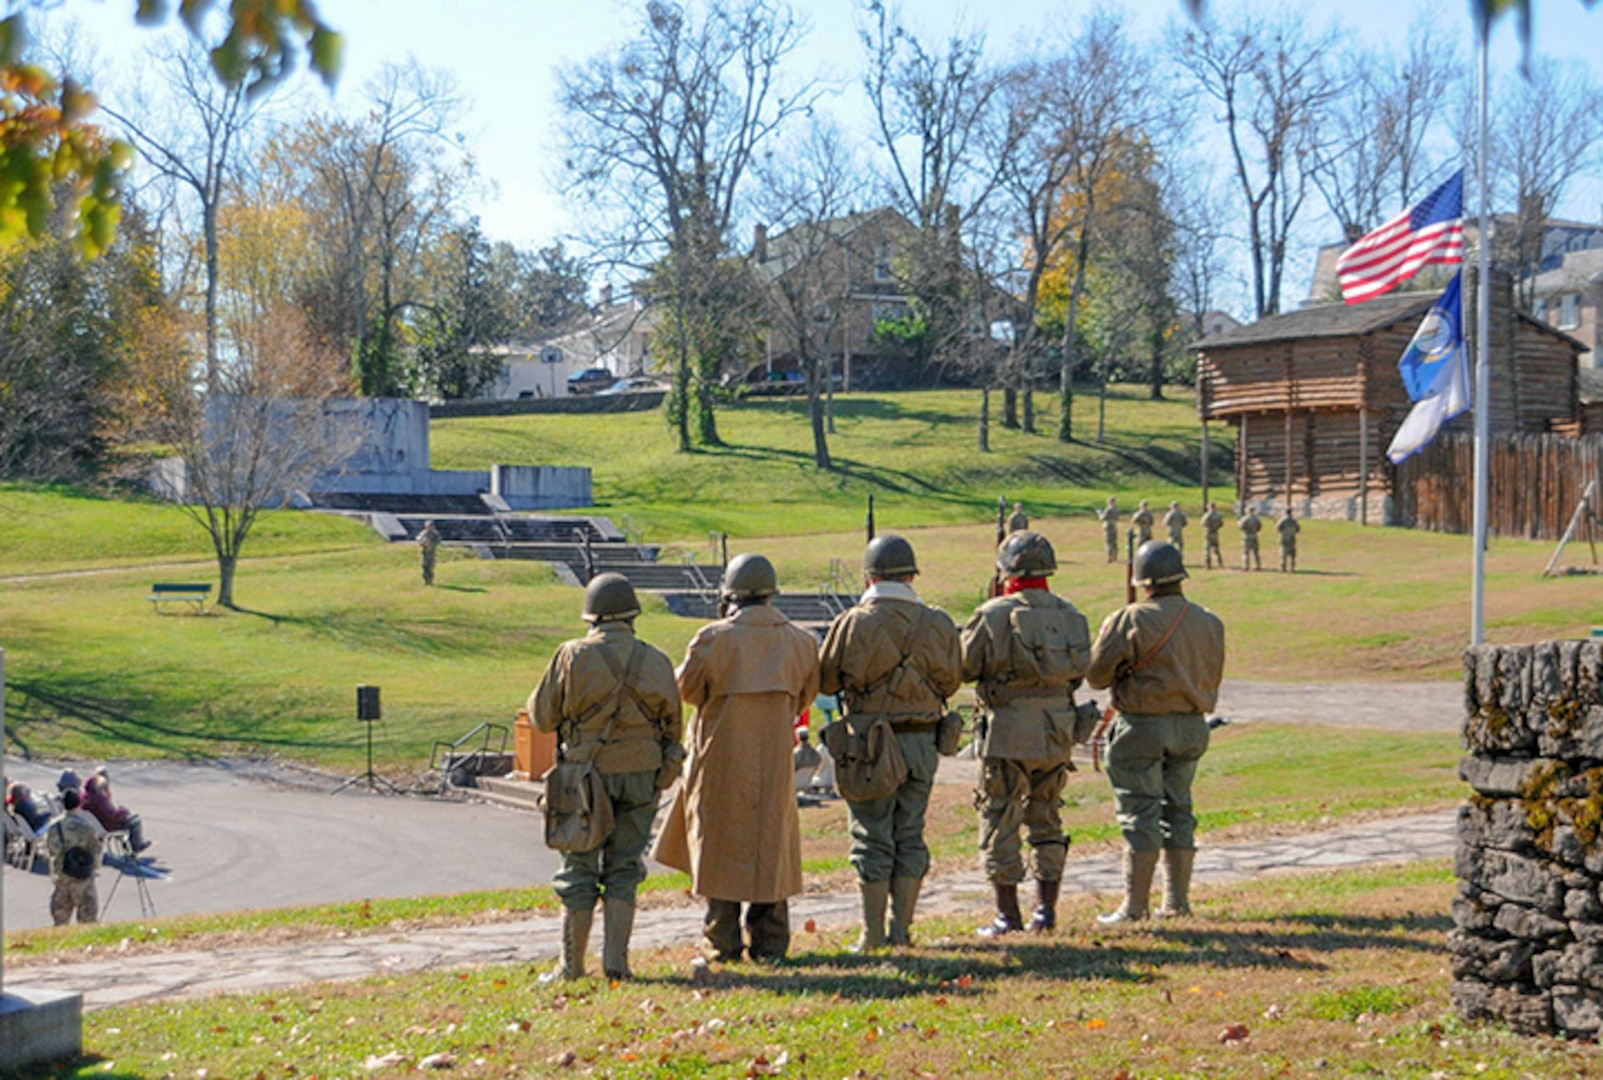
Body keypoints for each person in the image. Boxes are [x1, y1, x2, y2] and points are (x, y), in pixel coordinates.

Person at [654, 554, 820, 963]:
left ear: (729, 595)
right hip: (776, 761)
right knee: (772, 848)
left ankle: (721, 942)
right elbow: (806, 695)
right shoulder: (801, 642)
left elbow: (686, 689)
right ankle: (771, 944)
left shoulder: (714, 639)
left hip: (719, 759)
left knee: (718, 848)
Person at [529, 573, 683, 981]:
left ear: (591, 617)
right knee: (624, 867)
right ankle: (617, 964)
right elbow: (674, 729)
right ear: (633, 616)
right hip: (640, 774)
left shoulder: (571, 655)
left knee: (578, 868)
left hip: (585, 779)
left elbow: (542, 717)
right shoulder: (657, 660)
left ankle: (571, 966)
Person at [818, 535, 962, 950]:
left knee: (871, 834)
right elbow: (952, 679)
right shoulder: (937, 622)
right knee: (910, 833)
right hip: (921, 743)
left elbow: (826, 681)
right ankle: (902, 931)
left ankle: (872, 934)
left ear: (869, 576)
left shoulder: (852, 622)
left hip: (869, 745)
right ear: (913, 575)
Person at [1086, 540, 1226, 924]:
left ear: (1143, 582)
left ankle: (1135, 907)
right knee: (1179, 809)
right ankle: (1177, 903)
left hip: (1143, 726)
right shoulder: (1210, 622)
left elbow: (1096, 677)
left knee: (1140, 813)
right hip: (1192, 726)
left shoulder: (1129, 619)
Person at [961, 531, 1091, 936]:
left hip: (1007, 730)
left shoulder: (993, 613)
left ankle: (1007, 915)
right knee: (1046, 817)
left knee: (1000, 816)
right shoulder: (1072, 615)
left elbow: (964, 667)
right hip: (1057, 729)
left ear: (1006, 569)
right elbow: (1079, 672)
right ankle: (1045, 912)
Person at [45, 788, 105, 925]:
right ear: (79, 805)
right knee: (87, 916)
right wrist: (93, 867)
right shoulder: (86, 827)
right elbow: (96, 850)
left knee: (60, 918)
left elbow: (51, 849)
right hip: (82, 877)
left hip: (62, 875)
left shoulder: (54, 826)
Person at [82, 770, 150, 852]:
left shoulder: (84, 797)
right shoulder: (99, 799)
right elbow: (112, 815)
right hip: (108, 825)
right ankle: (136, 847)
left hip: (98, 824)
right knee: (135, 820)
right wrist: (123, 811)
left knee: (130, 818)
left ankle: (130, 846)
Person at [417, 520, 442, 586]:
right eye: (428, 526)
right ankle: (426, 580)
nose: (429, 528)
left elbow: (438, 541)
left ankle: (430, 580)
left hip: (431, 553)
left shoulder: (435, 534)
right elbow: (419, 539)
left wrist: (431, 544)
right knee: (424, 566)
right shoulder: (423, 533)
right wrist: (424, 543)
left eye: (430, 526)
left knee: (430, 567)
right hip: (424, 553)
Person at [1201, 502, 1224, 570]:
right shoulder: (1219, 515)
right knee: (1216, 549)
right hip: (1215, 533)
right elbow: (1221, 524)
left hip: (1208, 533)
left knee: (1207, 549)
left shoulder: (1207, 515)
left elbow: (1203, 523)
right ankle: (1220, 562)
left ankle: (1208, 564)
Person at [1096, 497, 1120, 563]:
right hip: (1114, 525)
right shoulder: (1116, 509)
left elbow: (1103, 518)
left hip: (1108, 525)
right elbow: (1117, 518)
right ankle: (1115, 555)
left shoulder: (1108, 509)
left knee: (1108, 541)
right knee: (1114, 541)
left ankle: (1109, 557)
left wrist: (1099, 513)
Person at [1239, 507, 1262, 572]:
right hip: (1254, 535)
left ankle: (1246, 566)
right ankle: (1258, 565)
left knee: (1245, 552)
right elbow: (1259, 527)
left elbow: (1241, 527)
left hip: (1247, 535)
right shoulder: (1257, 519)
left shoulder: (1245, 519)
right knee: (1256, 552)